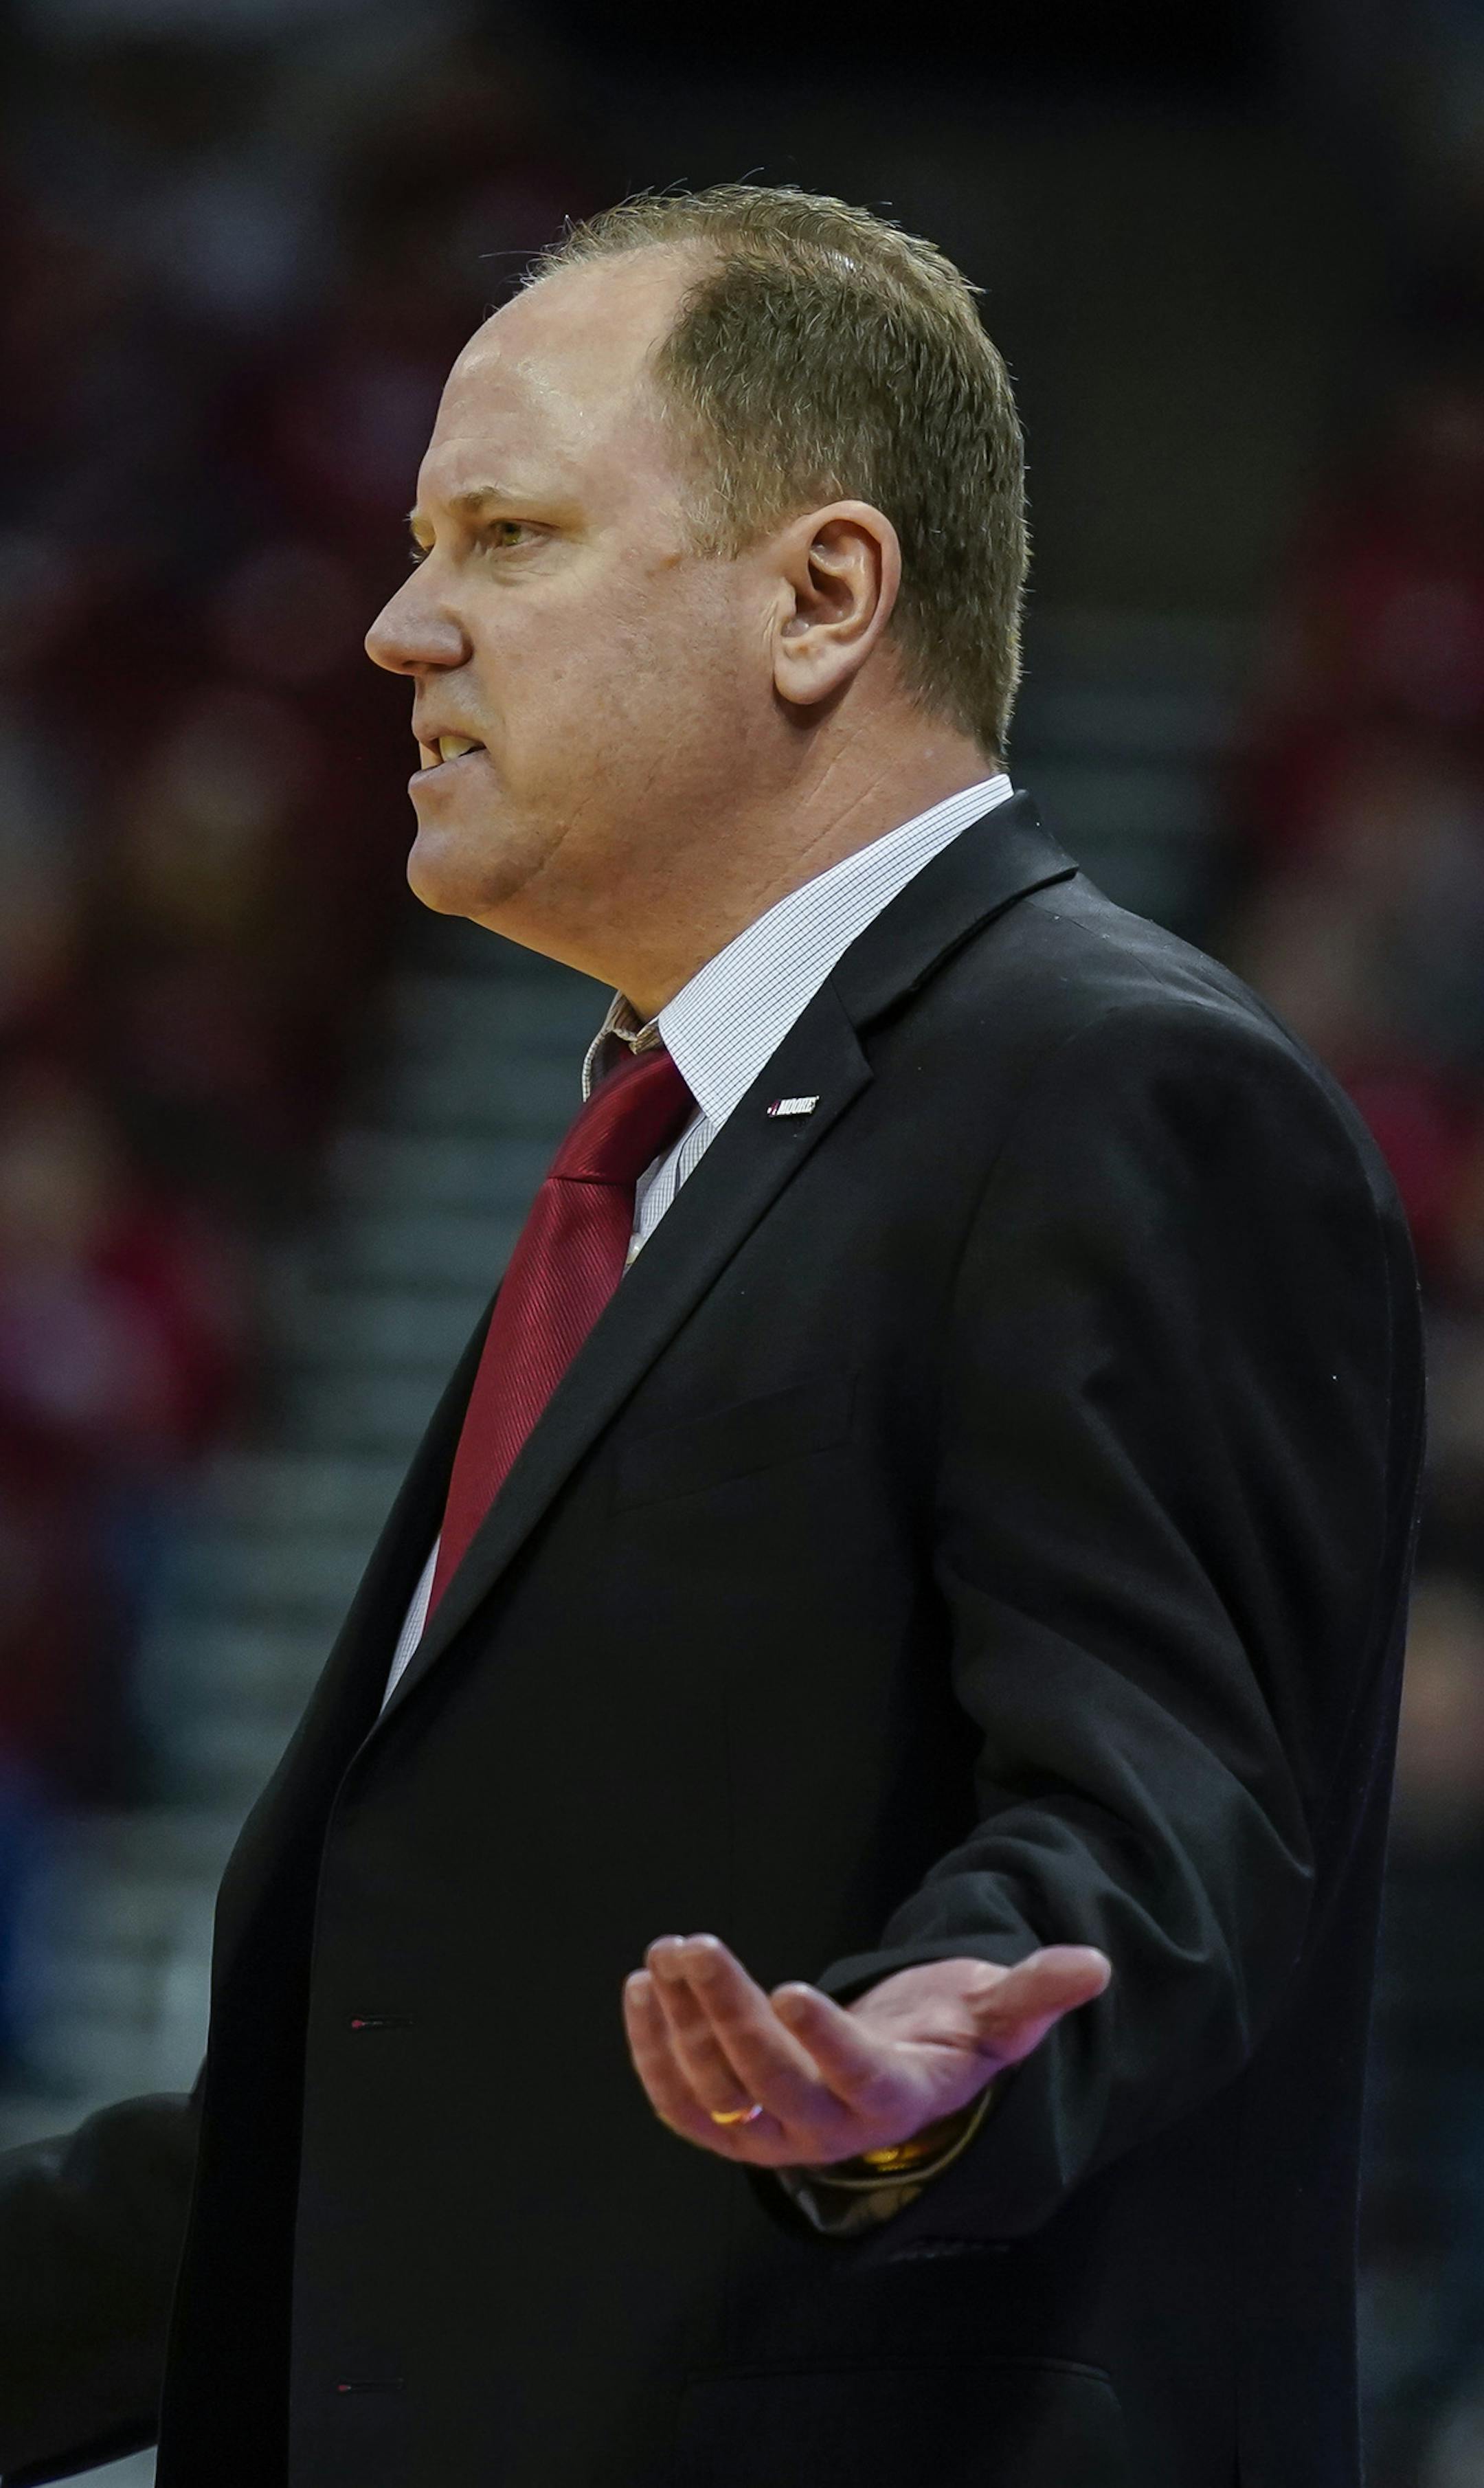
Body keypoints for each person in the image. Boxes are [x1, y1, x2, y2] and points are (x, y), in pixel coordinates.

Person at [0, 186, 1424, 2488]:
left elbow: (1159, 1832)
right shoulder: (675, 1151)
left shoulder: (1112, 1089)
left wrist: (907, 2066)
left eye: (509, 534)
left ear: (823, 597)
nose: (394, 627)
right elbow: (396, 2113)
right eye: (414, 538)